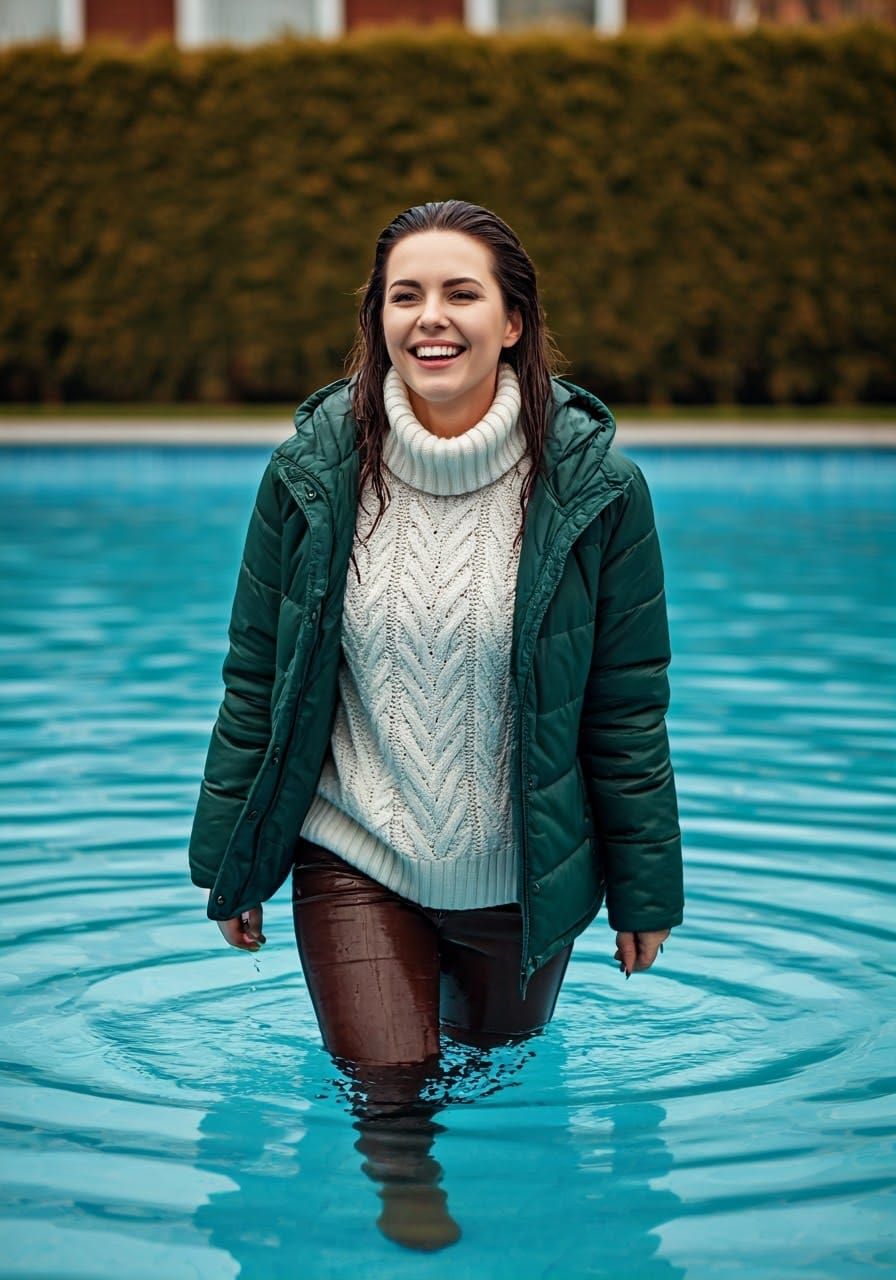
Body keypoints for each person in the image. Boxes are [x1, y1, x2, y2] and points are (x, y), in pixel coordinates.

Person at [187, 199, 684, 1247]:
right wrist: (228, 862)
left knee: (488, 1066)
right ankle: (400, 1187)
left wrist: (644, 889)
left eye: (461, 292)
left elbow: (624, 706)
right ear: (377, 321)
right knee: (393, 1078)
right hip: (352, 843)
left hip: (517, 864)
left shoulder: (597, 492)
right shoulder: (308, 479)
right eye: (404, 295)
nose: (430, 317)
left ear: (511, 321)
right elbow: (254, 677)